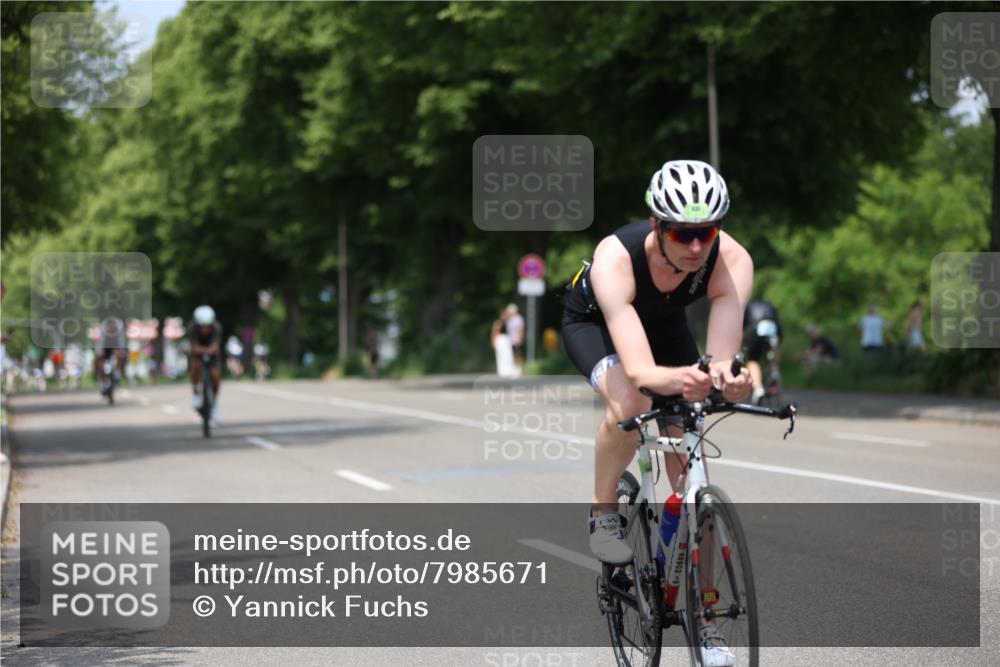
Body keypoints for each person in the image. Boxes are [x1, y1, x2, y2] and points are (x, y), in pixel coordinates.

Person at [561, 159, 752, 665]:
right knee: (631, 401)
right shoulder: (615, 259)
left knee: (694, 472)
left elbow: (721, 359)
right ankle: (604, 514)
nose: (695, 246)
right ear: (656, 225)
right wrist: (680, 380)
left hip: (666, 324)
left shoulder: (730, 259)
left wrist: (730, 378)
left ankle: (706, 623)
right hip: (597, 323)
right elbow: (643, 372)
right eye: (682, 233)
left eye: (705, 233)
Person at [743, 298, 782, 405]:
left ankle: (758, 389)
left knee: (752, 360)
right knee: (774, 352)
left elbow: (743, 325)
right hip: (775, 329)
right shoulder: (770, 305)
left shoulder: (748, 305)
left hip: (756, 330)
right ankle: (774, 372)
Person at [188, 305, 222, 424]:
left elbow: (215, 346)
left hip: (212, 355)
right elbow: (193, 347)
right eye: (202, 327)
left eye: (207, 326)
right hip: (197, 354)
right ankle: (196, 393)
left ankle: (214, 403)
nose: (204, 329)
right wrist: (203, 350)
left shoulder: (217, 328)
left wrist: (209, 350)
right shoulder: (192, 328)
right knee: (195, 366)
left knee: (215, 375)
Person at [94, 316, 127, 397]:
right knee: (99, 362)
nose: (112, 327)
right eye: (110, 325)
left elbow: (122, 343)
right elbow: (100, 344)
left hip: (115, 348)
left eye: (113, 325)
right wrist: (100, 353)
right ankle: (103, 382)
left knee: (121, 356)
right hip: (105, 348)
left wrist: (122, 352)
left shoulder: (119, 330)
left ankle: (117, 374)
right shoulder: (103, 331)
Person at [491, 309, 518, 378]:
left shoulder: (508, 323)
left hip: (506, 340)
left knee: (508, 356)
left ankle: (509, 370)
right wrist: (493, 341)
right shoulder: (498, 323)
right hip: (500, 340)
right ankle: (502, 371)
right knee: (501, 356)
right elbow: (495, 332)